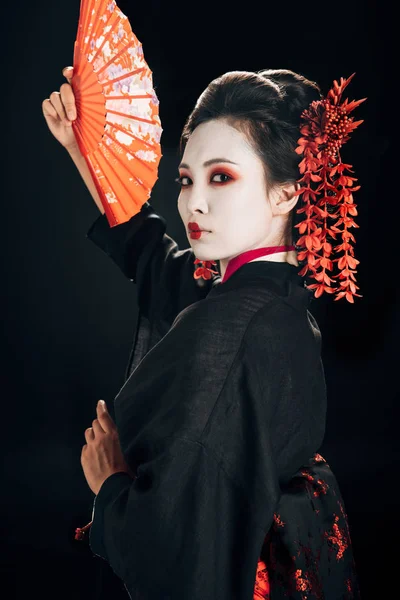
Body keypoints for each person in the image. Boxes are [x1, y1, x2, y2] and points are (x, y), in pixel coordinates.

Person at [42, 66, 361, 599]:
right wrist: (82, 148)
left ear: (286, 194)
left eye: (221, 177)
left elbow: (174, 544)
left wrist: (112, 483)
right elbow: (153, 256)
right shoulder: (262, 296)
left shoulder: (232, 328)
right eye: (186, 180)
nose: (193, 203)